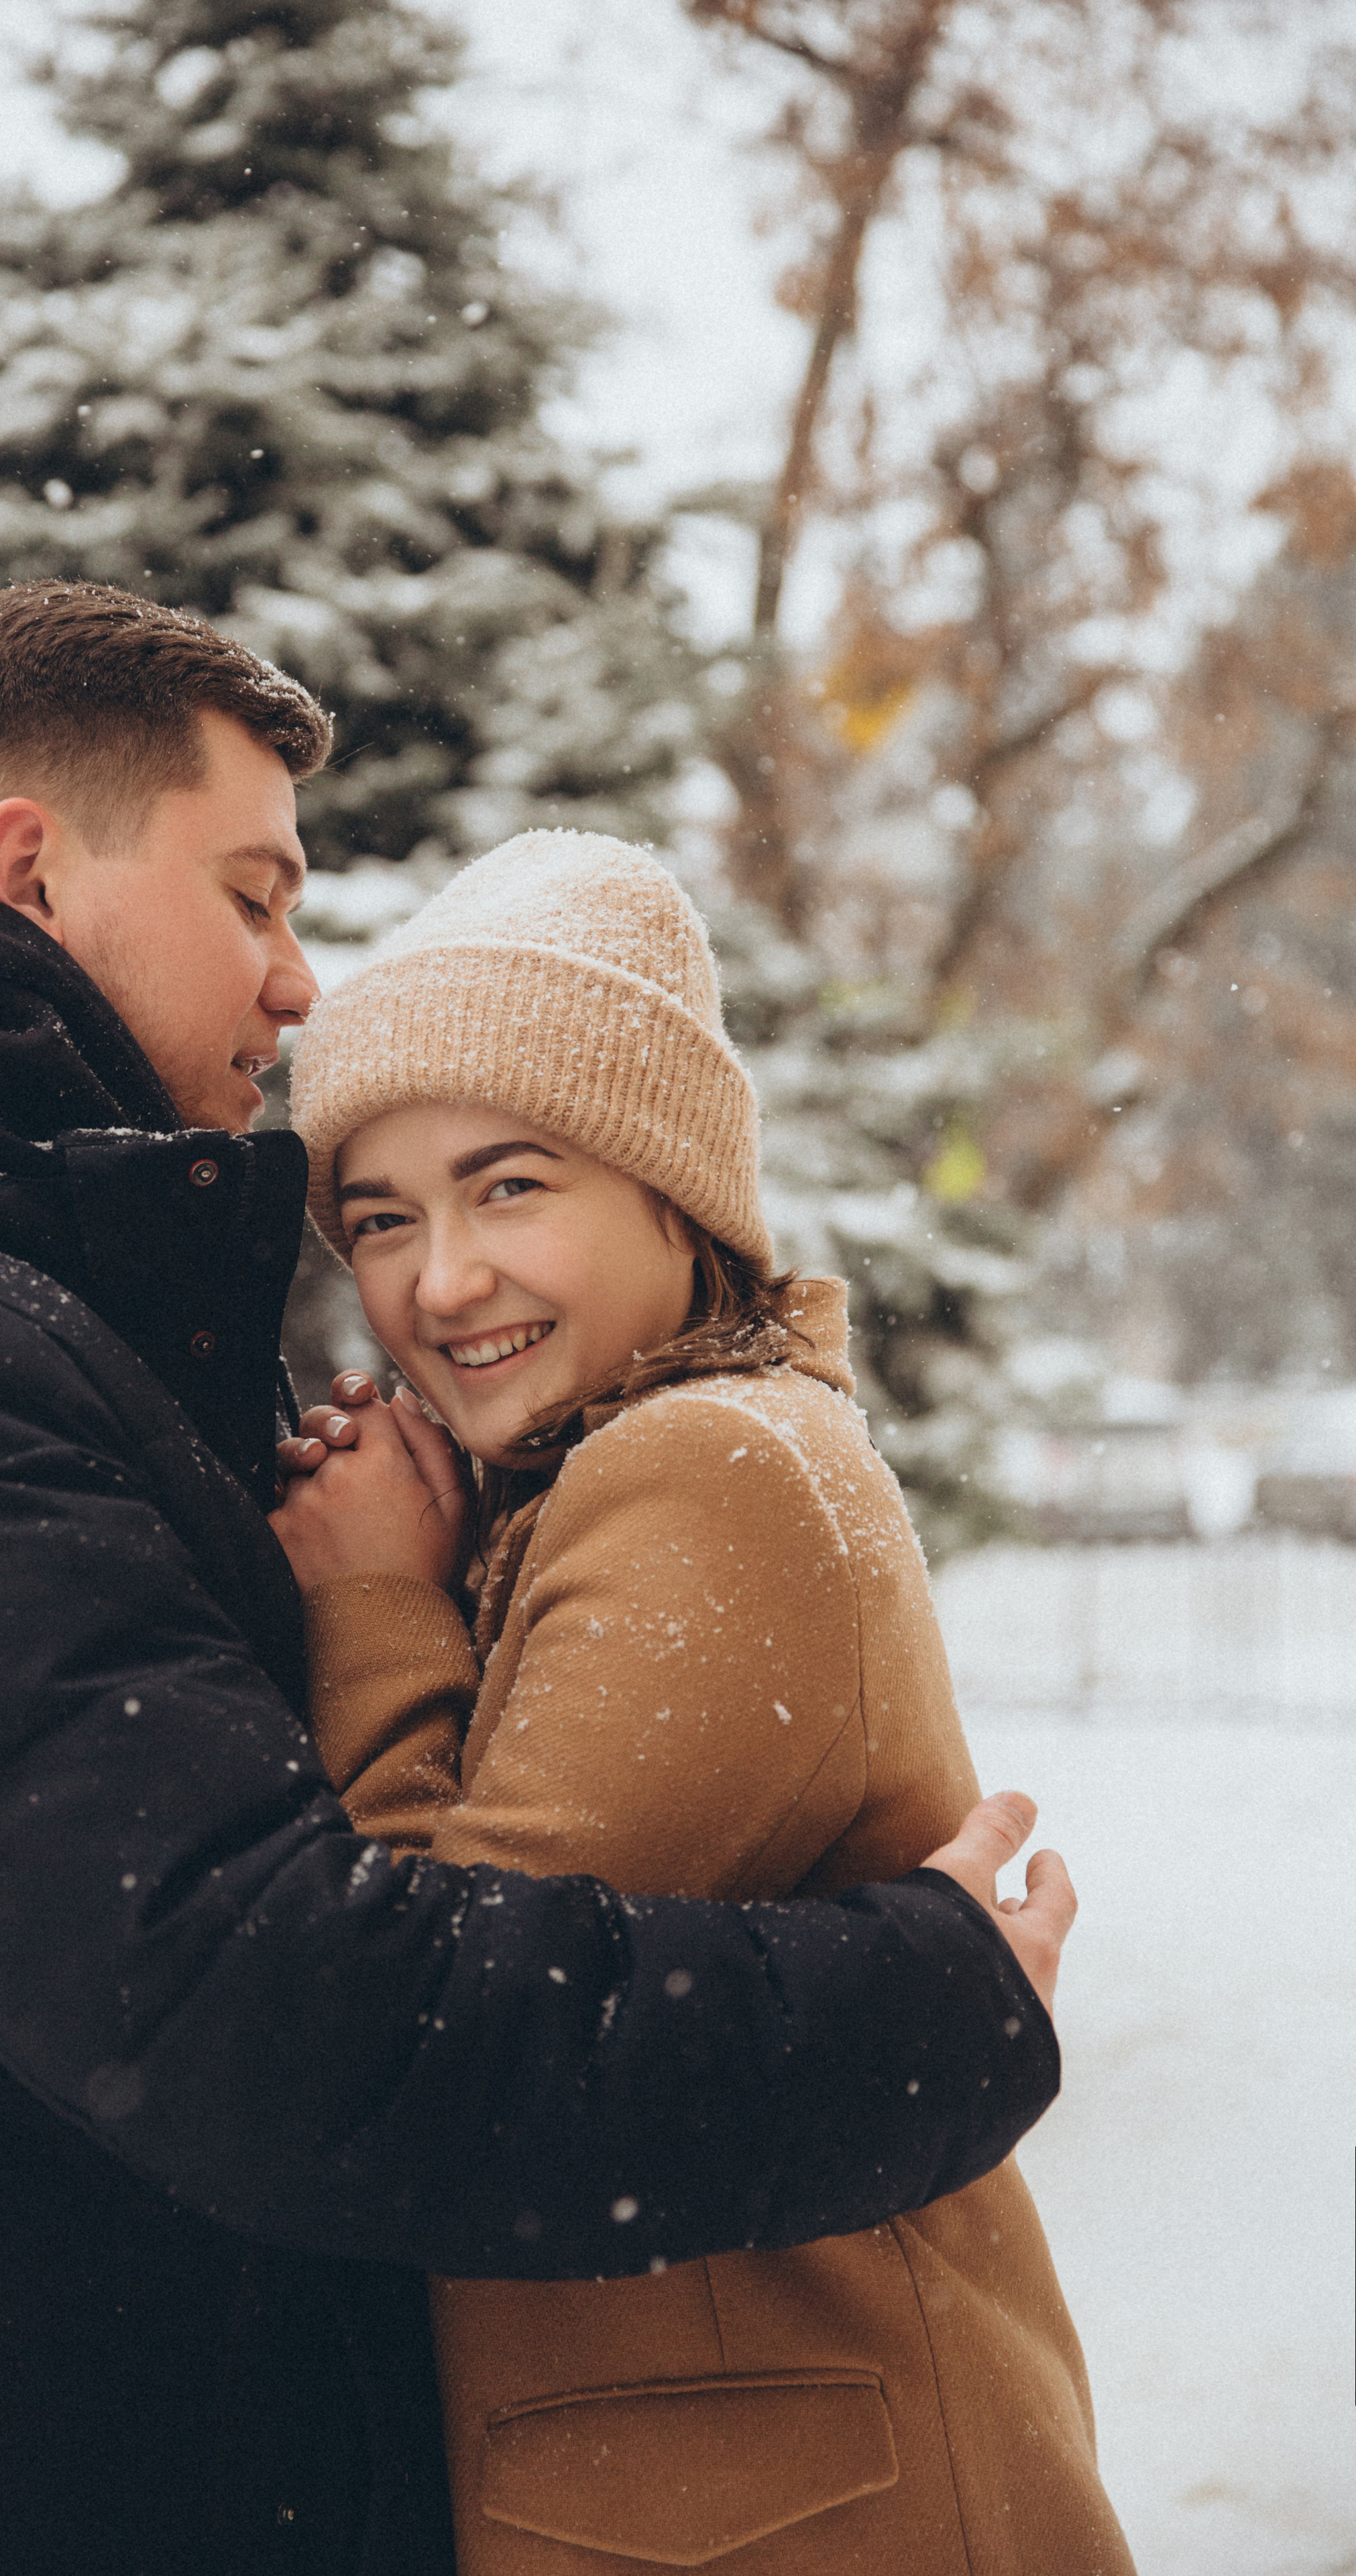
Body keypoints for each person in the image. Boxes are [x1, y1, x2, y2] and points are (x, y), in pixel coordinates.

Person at [0, 583, 1068, 2576]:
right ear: (30, 869)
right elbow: (312, 2027)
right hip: (14, 2485)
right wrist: (929, 2000)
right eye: (255, 896)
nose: (295, 980)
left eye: (514, 1184)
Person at [276, 830, 1133, 2575]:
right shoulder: (583, 1483)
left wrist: (369, 1607)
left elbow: (447, 2014)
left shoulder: (716, 1470)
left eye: (512, 1188)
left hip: (801, 2509)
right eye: (382, 1218)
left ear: (674, 1195)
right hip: (706, 2487)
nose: (440, 1282)